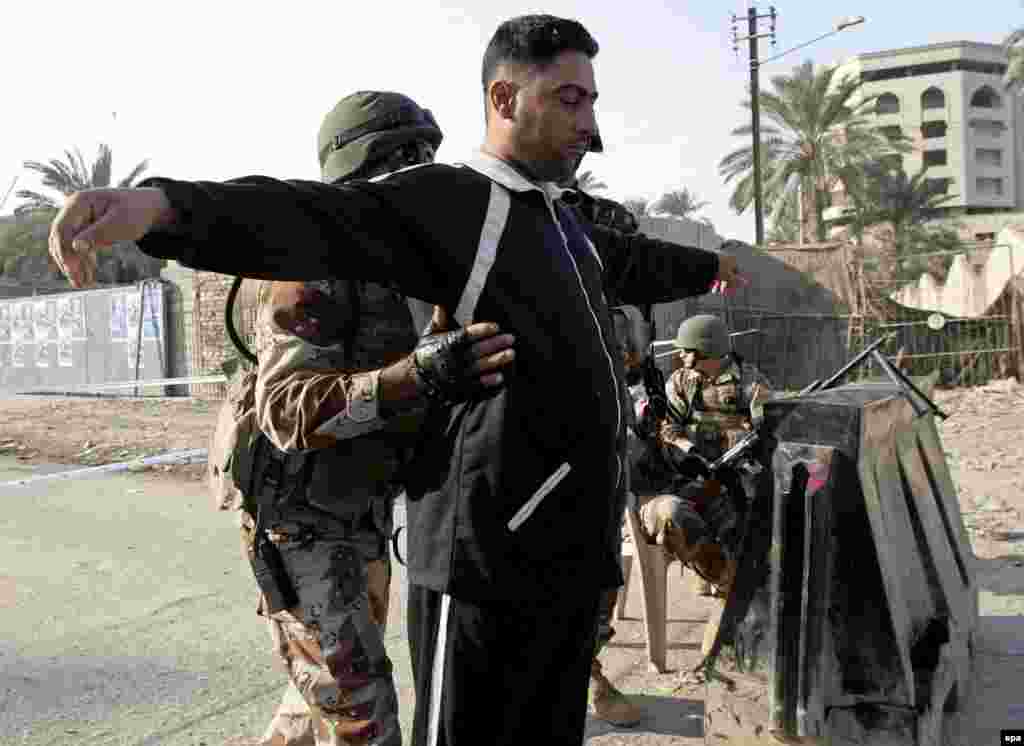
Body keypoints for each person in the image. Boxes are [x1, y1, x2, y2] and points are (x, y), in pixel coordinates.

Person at [49, 15, 744, 744]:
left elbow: (629, 262)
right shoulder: (434, 214)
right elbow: (299, 222)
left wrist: (711, 266)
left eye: (592, 101)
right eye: (569, 100)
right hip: (357, 527)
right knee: (360, 711)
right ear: (504, 101)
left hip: (477, 532)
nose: (590, 125)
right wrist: (159, 208)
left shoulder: (547, 222)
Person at [220, 91, 515, 746]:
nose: (426, 173)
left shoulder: (404, 261)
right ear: (362, 171)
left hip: (358, 510)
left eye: (429, 156)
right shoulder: (313, 262)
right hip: (301, 526)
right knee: (361, 715)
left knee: (321, 697)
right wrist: (417, 377)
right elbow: (283, 409)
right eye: (407, 159)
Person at [649, 313, 772, 652]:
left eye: (690, 352)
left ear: (711, 351)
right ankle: (721, 579)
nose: (684, 358)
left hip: (736, 483)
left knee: (747, 535)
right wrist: (688, 453)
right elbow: (668, 428)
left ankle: (737, 604)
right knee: (675, 519)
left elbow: (767, 432)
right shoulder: (682, 381)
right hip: (693, 479)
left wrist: (746, 445)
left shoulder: (751, 382)